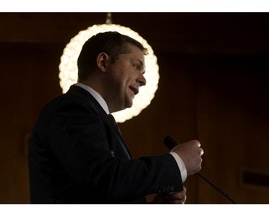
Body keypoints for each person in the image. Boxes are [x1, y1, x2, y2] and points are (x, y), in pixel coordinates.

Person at [28, 31, 203, 204]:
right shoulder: (72, 109)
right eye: (136, 66)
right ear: (103, 62)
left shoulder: (96, 115)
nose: (143, 80)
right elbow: (105, 180)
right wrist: (176, 162)